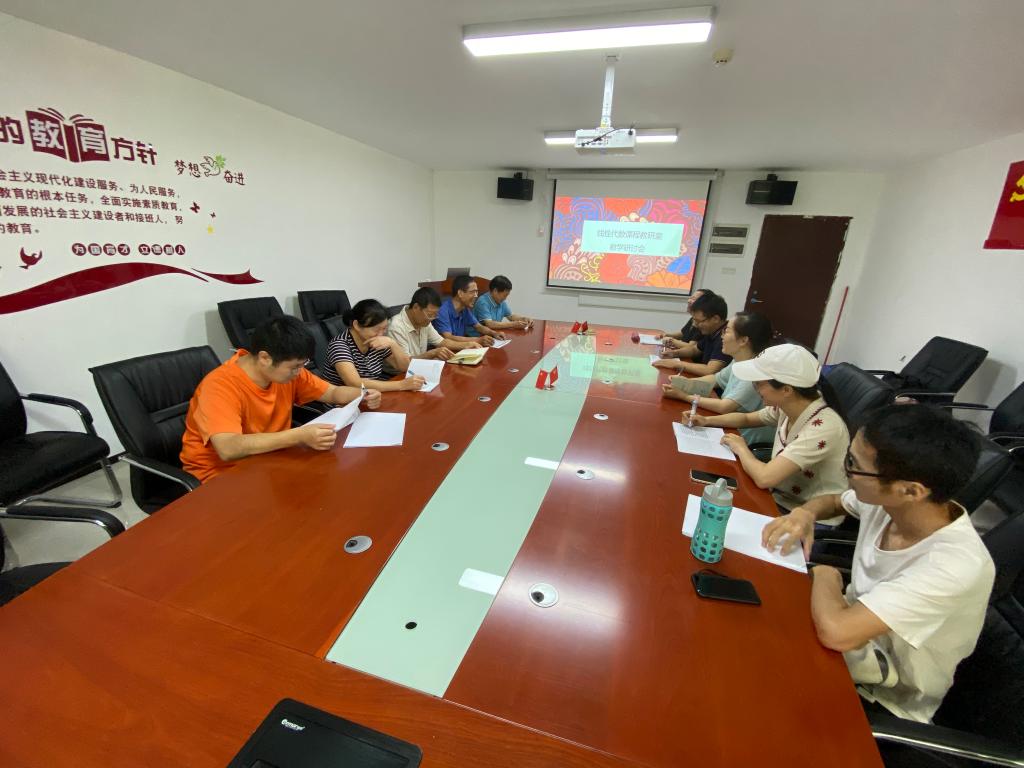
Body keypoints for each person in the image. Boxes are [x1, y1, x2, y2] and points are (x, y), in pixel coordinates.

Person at [762, 404, 993, 724]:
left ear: (910, 490)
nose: (845, 471)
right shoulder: (890, 501)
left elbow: (837, 632)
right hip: (842, 642)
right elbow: (834, 501)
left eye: (853, 464)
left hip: (880, 699)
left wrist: (825, 574)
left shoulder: (955, 565)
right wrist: (805, 513)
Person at [180, 316, 381, 484]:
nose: (299, 372)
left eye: (303, 365)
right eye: (295, 367)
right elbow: (228, 448)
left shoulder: (287, 372)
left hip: (269, 460)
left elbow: (333, 392)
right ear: (265, 358)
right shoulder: (220, 386)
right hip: (220, 477)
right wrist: (299, 436)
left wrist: (362, 393)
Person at [687, 343, 849, 517]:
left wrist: (741, 448)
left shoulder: (822, 427)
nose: (755, 388)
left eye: (759, 383)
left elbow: (765, 478)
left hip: (805, 518)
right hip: (778, 498)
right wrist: (706, 421)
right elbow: (747, 418)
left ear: (786, 390)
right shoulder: (789, 405)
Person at [661, 311, 776, 445]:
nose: (722, 336)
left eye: (726, 331)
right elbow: (716, 379)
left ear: (743, 340)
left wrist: (683, 396)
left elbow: (725, 406)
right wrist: (683, 383)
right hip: (726, 428)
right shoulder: (739, 360)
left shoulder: (755, 371)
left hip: (741, 440)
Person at [324, 299, 424, 391]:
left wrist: (393, 344)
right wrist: (401, 385)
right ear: (356, 325)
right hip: (345, 401)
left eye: (384, 328)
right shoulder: (339, 346)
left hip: (371, 395)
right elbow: (354, 383)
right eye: (376, 329)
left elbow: (404, 367)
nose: (381, 334)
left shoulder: (376, 341)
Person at [387, 286, 481, 362]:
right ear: (416, 307)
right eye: (430, 315)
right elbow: (405, 363)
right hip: (397, 375)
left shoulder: (425, 321)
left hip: (419, 367)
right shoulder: (396, 327)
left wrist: (467, 345)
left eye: (435, 315)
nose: (431, 319)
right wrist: (432, 354)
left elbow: (441, 342)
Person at [652, 292, 732, 376]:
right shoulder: (712, 330)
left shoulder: (726, 336)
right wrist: (674, 353)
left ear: (715, 319)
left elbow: (710, 370)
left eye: (698, 321)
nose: (695, 325)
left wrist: (675, 364)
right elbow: (694, 350)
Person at [432, 274, 505, 346]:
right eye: (473, 292)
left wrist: (494, 333)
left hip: (461, 347)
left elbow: (479, 327)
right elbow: (448, 337)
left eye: (477, 292)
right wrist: (478, 340)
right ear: (460, 293)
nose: (476, 295)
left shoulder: (464, 309)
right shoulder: (442, 310)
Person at [656, 288, 712, 357]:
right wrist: (667, 335)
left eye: (694, 299)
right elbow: (683, 333)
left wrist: (671, 341)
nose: (689, 301)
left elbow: (692, 347)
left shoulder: (702, 323)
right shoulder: (694, 318)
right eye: (690, 298)